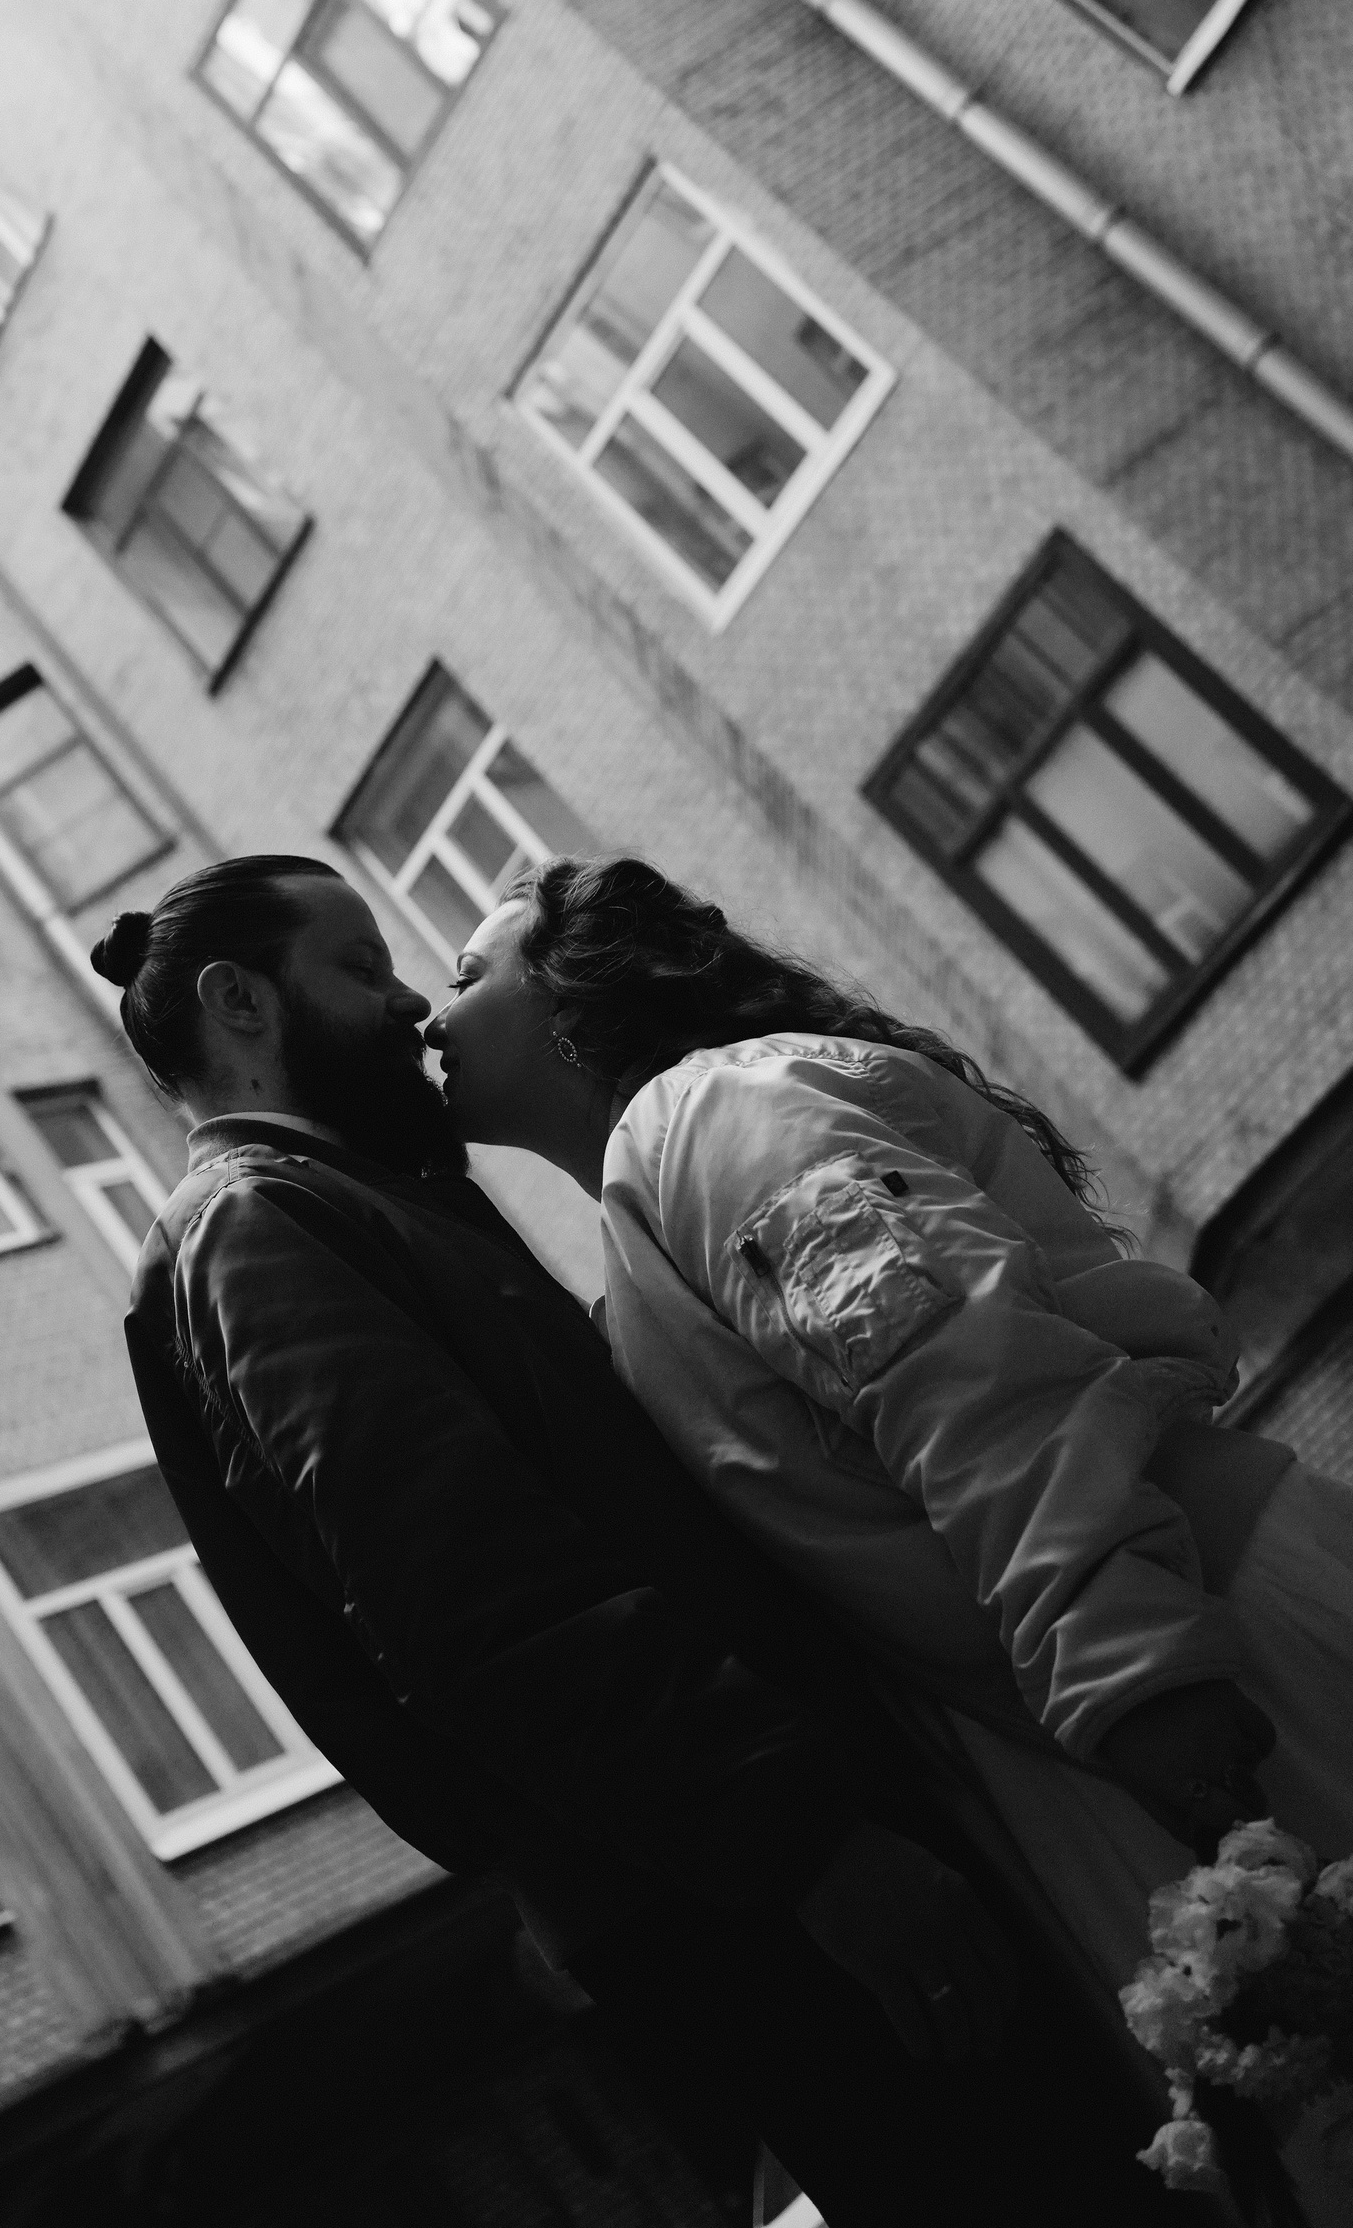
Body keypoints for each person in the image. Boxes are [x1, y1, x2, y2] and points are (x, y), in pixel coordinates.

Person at [102, 853, 1189, 2226]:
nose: (409, 1008)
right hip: (752, 1888)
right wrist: (805, 1841)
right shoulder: (258, 1225)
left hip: (746, 1856)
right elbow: (475, 1589)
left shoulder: (333, 1203)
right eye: (362, 971)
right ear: (239, 1002)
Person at [423, 851, 1353, 2010]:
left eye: (467, 977)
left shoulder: (714, 1113)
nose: (430, 1015)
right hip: (1110, 1674)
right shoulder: (662, 1180)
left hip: (1189, 1648)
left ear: (572, 1000)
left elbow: (965, 1368)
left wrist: (1131, 1669)